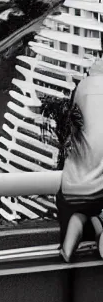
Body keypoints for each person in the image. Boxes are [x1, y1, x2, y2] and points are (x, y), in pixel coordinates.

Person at [56, 63, 103, 262]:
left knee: (81, 205)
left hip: (71, 189)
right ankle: (99, 224)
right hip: (100, 190)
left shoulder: (83, 87)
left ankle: (80, 219)